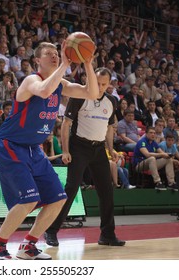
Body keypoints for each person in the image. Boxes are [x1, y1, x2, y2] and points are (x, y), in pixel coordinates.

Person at [0, 41, 99, 260]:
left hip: (34, 149)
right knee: (28, 200)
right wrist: (65, 63)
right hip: (12, 145)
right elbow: (45, 91)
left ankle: (28, 246)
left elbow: (92, 93)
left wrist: (88, 64)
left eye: (57, 53)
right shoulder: (31, 80)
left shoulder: (61, 83)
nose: (55, 56)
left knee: (58, 198)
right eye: (49, 53)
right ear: (37, 60)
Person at [44, 67, 125, 248]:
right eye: (98, 83)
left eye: (105, 84)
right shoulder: (80, 96)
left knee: (106, 191)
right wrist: (65, 150)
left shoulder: (111, 101)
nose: (101, 87)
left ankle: (107, 235)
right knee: (71, 188)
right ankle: (51, 230)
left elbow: (110, 128)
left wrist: (110, 149)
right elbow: (66, 124)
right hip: (79, 147)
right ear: (91, 80)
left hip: (98, 150)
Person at [133, 126, 177, 190]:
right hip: (139, 165)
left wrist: (168, 155)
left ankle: (171, 183)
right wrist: (161, 154)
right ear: (146, 134)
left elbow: (162, 153)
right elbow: (147, 154)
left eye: (154, 133)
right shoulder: (141, 142)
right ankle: (158, 182)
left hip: (151, 164)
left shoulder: (154, 143)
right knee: (152, 158)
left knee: (168, 159)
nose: (153, 134)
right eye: (151, 133)